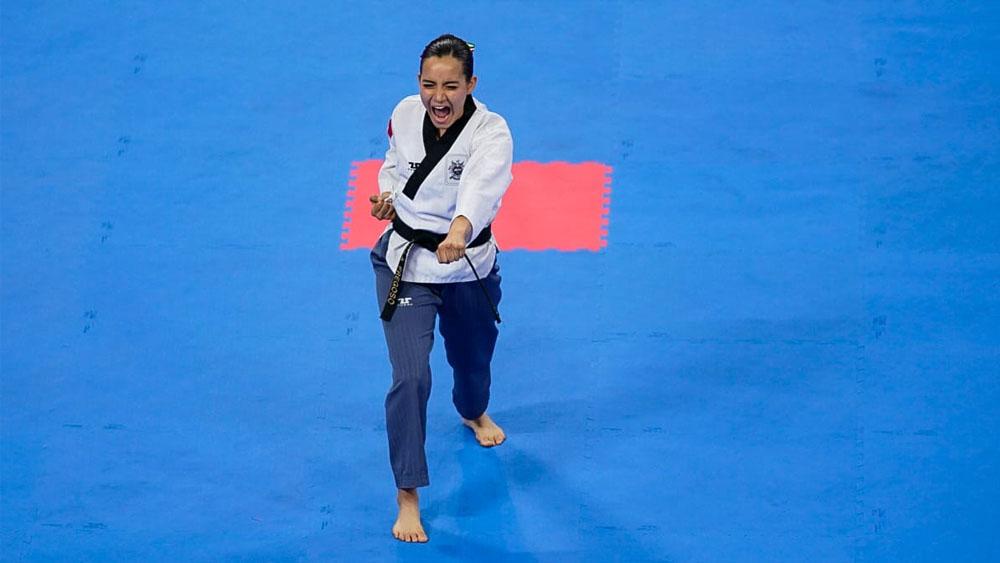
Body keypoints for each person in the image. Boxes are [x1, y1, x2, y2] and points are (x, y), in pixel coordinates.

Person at [368, 34, 514, 543]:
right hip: (407, 264)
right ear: (418, 82)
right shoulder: (405, 113)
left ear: (471, 84)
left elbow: (482, 187)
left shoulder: (492, 133)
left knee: (473, 364)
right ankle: (407, 493)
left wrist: (459, 230)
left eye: (451, 85)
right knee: (410, 378)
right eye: (429, 84)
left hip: (466, 263)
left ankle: (472, 411)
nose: (438, 97)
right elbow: (393, 163)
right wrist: (386, 197)